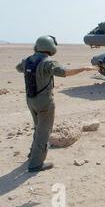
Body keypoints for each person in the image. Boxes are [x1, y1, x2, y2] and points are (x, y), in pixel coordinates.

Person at [16, 36, 96, 172]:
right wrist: (84, 68)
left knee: (37, 127)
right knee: (44, 132)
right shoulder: (48, 62)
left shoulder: (27, 60)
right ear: (51, 48)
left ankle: (32, 154)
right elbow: (64, 72)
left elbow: (19, 68)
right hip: (45, 102)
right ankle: (36, 164)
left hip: (30, 100)